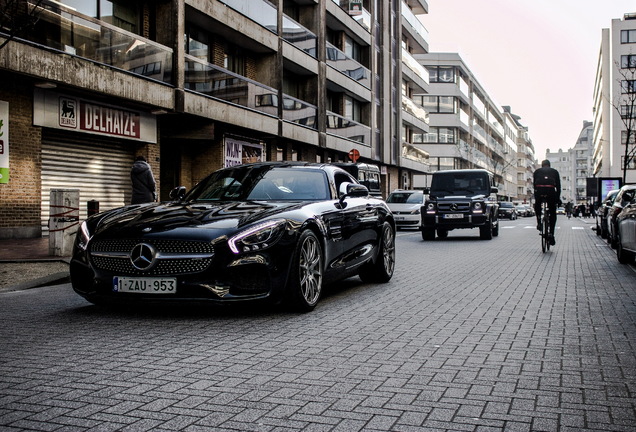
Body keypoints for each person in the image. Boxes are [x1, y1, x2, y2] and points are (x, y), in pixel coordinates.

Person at [533, 159, 561, 245]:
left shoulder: (537, 171)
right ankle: (551, 233)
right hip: (550, 191)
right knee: (552, 212)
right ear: (549, 165)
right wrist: (558, 198)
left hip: (539, 191)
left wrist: (537, 197)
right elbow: (558, 186)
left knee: (537, 205)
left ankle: (538, 222)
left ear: (542, 165)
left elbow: (534, 185)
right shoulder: (554, 172)